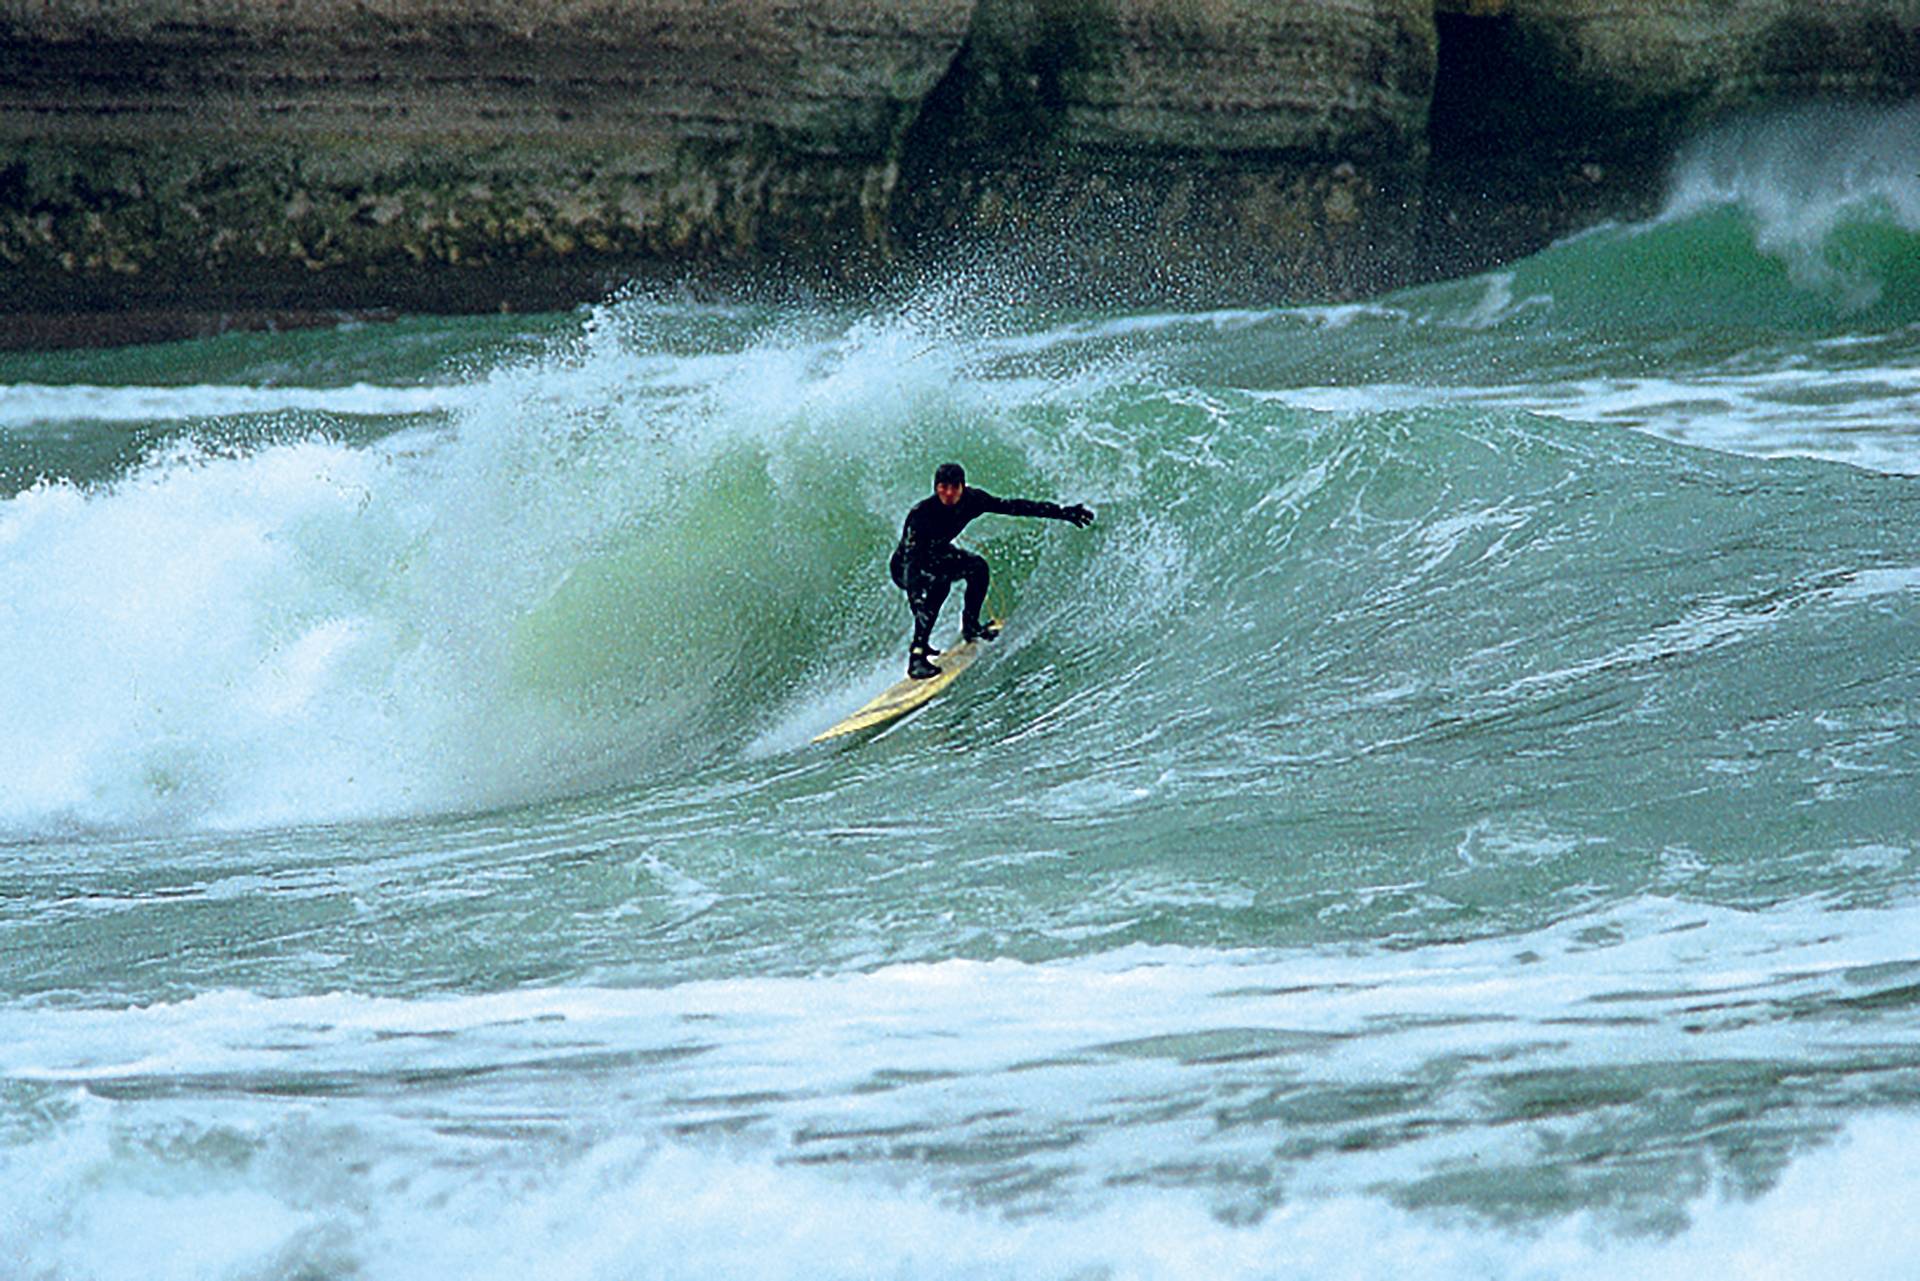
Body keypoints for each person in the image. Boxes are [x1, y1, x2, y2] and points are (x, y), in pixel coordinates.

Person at [889, 462, 1095, 679]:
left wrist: (1063, 513)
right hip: (906, 567)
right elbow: (911, 563)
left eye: (954, 487)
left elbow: (1015, 507)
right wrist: (916, 602)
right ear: (936, 487)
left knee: (977, 568)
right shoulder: (921, 514)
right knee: (940, 584)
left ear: (963, 486)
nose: (949, 493)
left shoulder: (973, 500)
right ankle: (917, 658)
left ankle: (970, 626)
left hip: (938, 556)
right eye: (943, 487)